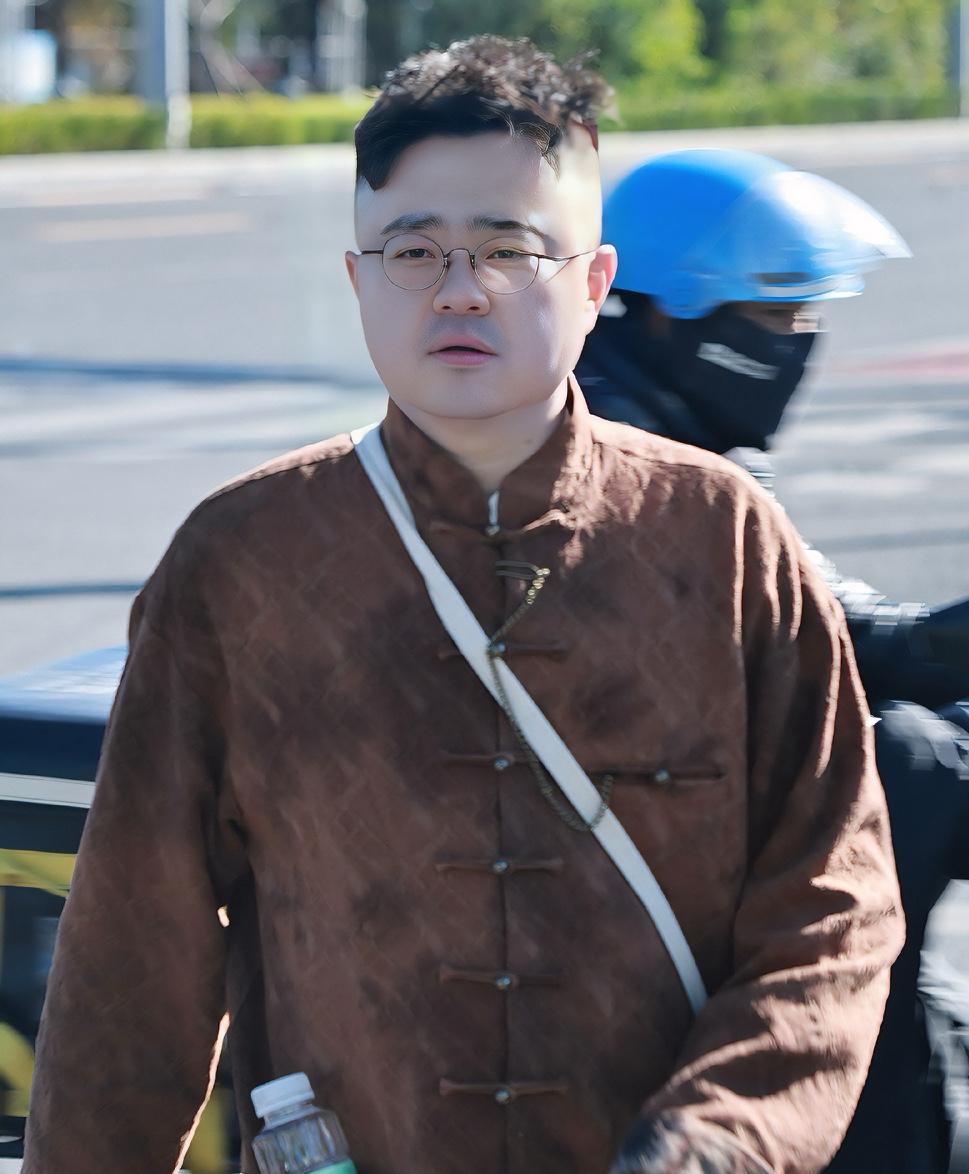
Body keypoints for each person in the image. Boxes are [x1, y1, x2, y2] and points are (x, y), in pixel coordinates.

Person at [23, 40, 903, 1174]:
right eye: (412, 251)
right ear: (357, 281)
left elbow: (833, 904)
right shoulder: (240, 562)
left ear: (595, 283)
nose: (456, 288)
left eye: (508, 249)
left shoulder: (721, 538)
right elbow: (133, 956)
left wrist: (717, 1141)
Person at [576, 147, 969, 1173]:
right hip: (672, 903)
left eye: (807, 316)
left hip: (711, 880)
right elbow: (791, 648)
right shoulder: (620, 470)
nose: (799, 343)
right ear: (663, 314)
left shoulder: (661, 438)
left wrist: (954, 646)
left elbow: (835, 620)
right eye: (774, 316)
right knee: (913, 762)